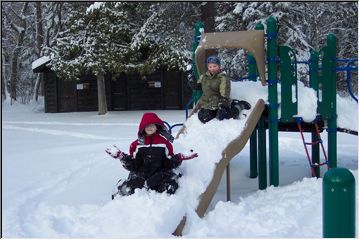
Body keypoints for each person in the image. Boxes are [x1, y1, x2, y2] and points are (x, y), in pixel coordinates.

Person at [106, 112, 197, 198]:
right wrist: (122, 157)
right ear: (143, 128)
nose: (149, 127)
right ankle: (130, 194)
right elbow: (134, 165)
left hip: (158, 174)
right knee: (131, 185)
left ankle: (160, 197)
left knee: (169, 185)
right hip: (141, 174)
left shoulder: (164, 144)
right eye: (147, 126)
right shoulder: (136, 144)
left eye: (152, 125)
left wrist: (178, 158)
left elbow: (168, 164)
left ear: (157, 127)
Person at [187, 55, 251, 124]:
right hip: (208, 104)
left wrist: (222, 104)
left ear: (219, 66)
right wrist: (191, 77)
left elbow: (224, 91)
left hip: (220, 102)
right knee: (203, 118)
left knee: (223, 116)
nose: (212, 69)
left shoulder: (222, 77)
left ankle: (239, 106)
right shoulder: (204, 77)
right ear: (208, 67)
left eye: (215, 66)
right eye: (210, 67)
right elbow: (197, 87)